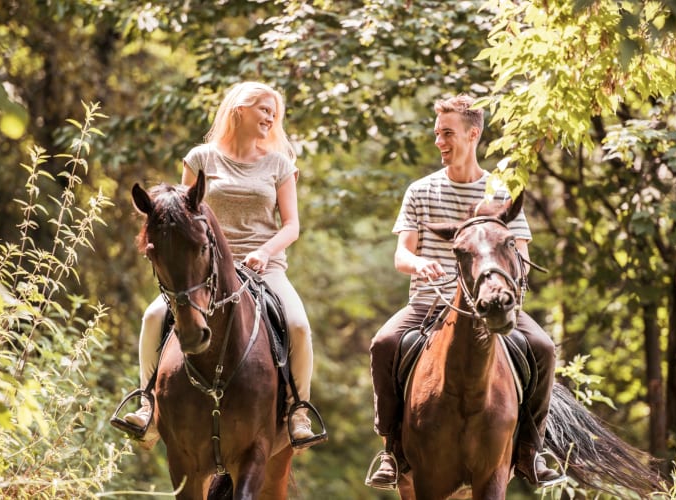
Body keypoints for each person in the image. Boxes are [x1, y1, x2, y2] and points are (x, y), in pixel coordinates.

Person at [366, 94, 564, 489]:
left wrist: (503, 292)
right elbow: (402, 254)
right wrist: (420, 263)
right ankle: (391, 449)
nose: (439, 141)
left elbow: (520, 255)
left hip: (491, 303)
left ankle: (531, 449)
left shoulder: (501, 191)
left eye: (447, 133)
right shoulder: (420, 190)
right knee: (383, 343)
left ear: (473, 134)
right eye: (437, 133)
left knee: (543, 348)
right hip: (428, 303)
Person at [123, 81, 318, 450]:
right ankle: (148, 405)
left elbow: (292, 225)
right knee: (152, 317)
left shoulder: (279, 164)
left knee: (298, 325)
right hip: (207, 269)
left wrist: (263, 251)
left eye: (274, 112)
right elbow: (180, 218)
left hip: (265, 266)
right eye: (263, 109)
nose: (271, 117)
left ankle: (298, 410)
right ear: (239, 109)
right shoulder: (201, 158)